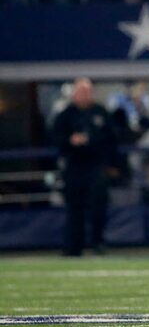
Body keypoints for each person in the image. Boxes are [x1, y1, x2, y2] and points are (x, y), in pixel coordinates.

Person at [52, 78, 118, 256]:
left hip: (96, 166)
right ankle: (73, 247)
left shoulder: (100, 112)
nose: (84, 95)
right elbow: (56, 140)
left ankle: (98, 242)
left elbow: (112, 140)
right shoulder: (65, 115)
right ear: (74, 94)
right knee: (74, 208)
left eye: (87, 92)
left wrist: (112, 164)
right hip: (74, 166)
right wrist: (70, 141)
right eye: (80, 92)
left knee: (99, 206)